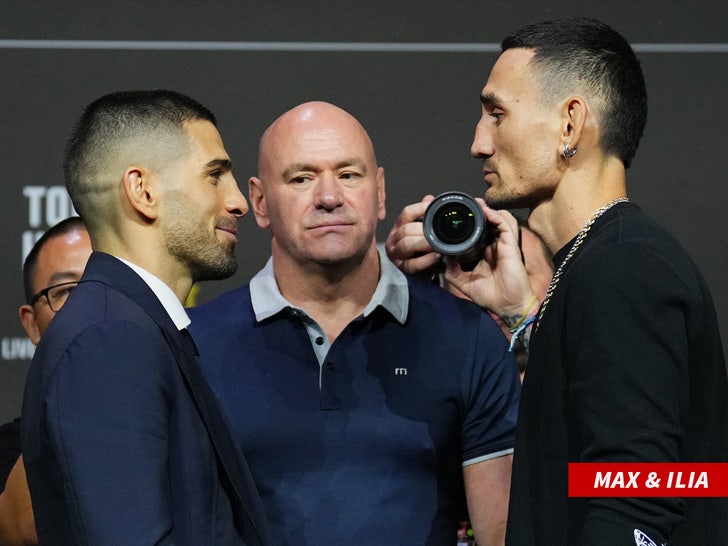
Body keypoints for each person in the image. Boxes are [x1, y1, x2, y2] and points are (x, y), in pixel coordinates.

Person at [386, 17, 728, 546]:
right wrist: (522, 318)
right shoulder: (601, 262)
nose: (479, 142)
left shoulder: (622, 269)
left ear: (570, 124)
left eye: (496, 113)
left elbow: (636, 497)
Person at [188, 101, 521, 545]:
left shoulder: (466, 337)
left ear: (380, 192)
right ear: (260, 202)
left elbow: (502, 533)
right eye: (302, 178)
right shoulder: (195, 345)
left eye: (349, 174)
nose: (329, 197)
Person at [21, 90, 274, 545]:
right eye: (215, 175)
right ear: (144, 191)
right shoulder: (109, 340)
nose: (237, 201)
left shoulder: (137, 327)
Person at [0, 216, 91, 546]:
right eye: (66, 290)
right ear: (32, 324)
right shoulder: (9, 450)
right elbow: (32, 529)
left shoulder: (185, 421)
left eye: (104, 285)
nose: (90, 304)